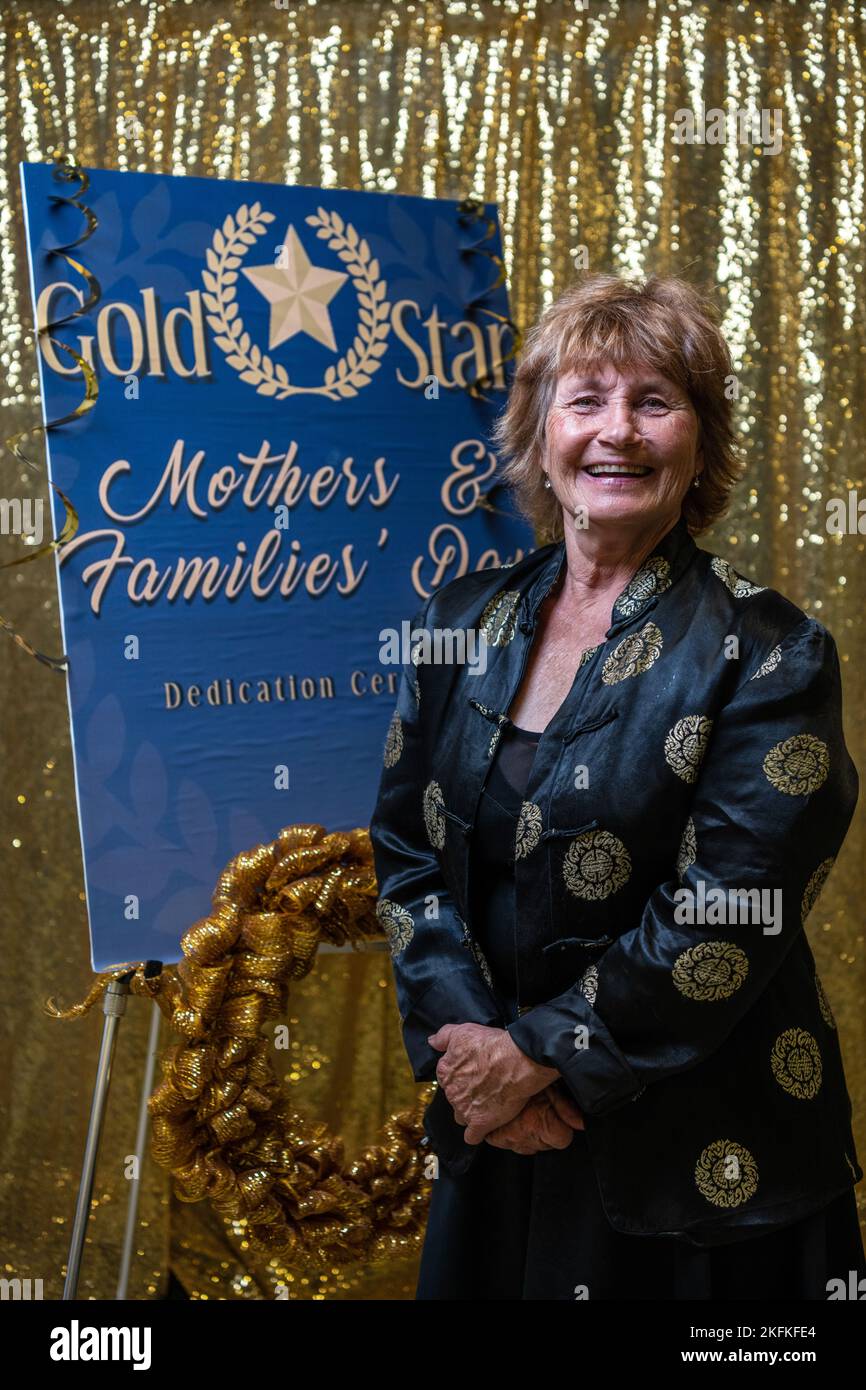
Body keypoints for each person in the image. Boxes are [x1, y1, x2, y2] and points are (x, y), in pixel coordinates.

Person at [369, 272, 866, 1300]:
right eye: (585, 398)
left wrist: (538, 1054)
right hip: (497, 1135)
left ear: (698, 443)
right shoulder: (459, 616)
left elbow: (730, 905)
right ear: (538, 434)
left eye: (653, 401)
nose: (617, 434)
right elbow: (405, 851)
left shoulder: (770, 650)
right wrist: (474, 1056)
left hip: (700, 1164)